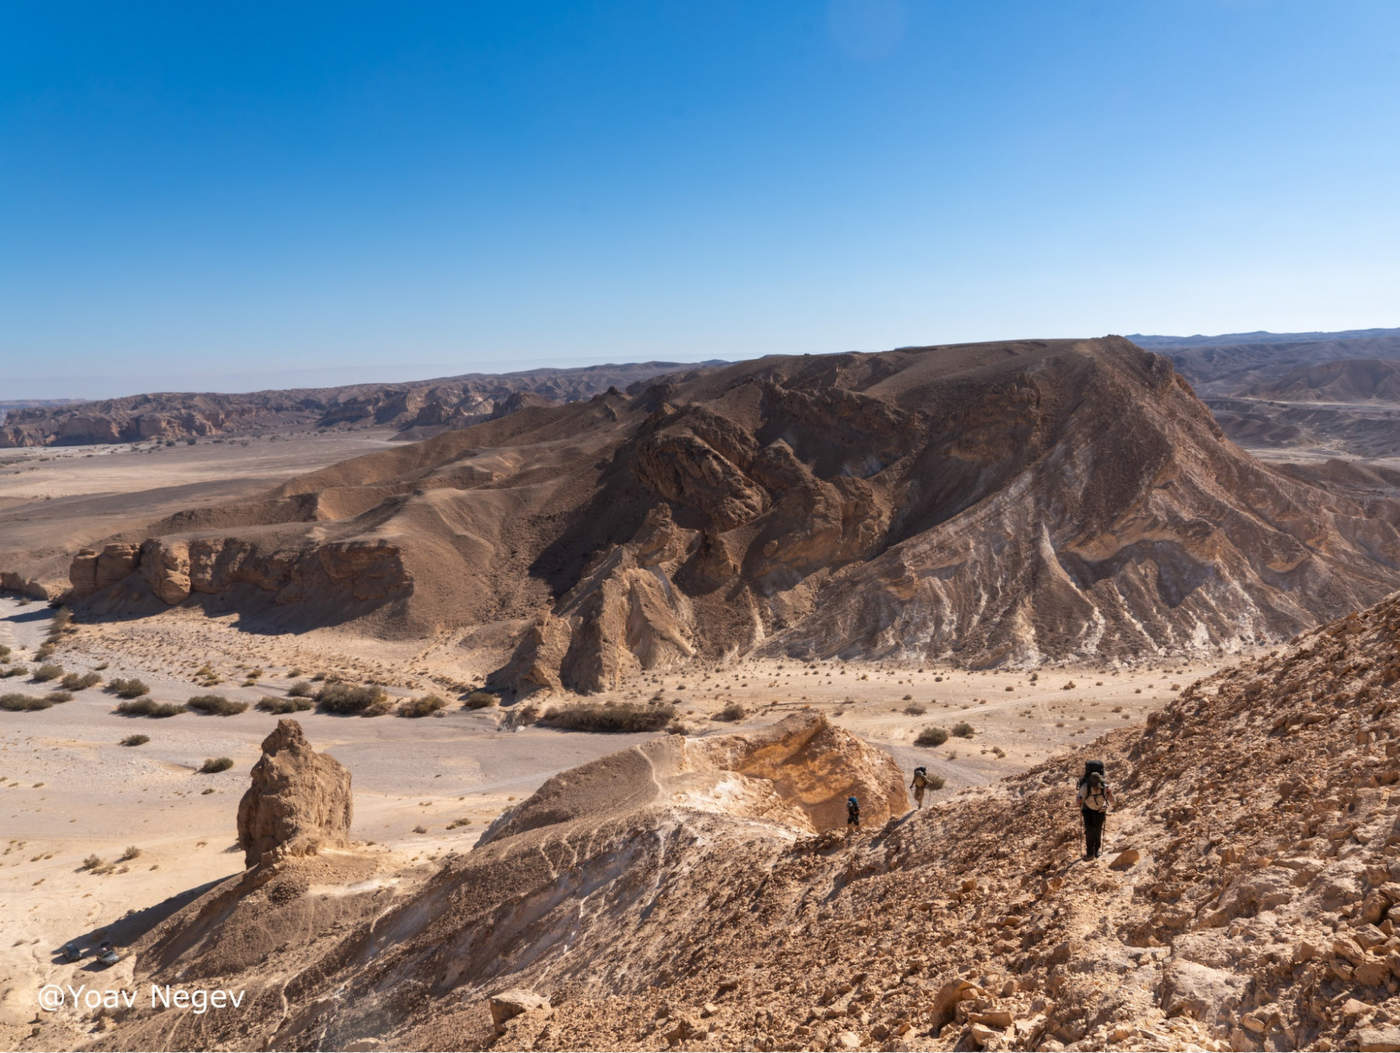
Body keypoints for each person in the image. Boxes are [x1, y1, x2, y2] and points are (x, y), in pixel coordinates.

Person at [1075, 760, 1114, 860]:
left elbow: (1112, 801)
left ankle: (1093, 852)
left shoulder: (1098, 787)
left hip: (1095, 810)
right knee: (1093, 831)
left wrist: (1110, 794)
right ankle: (1093, 852)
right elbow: (1113, 802)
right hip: (1090, 811)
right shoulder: (1087, 787)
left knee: (1094, 831)